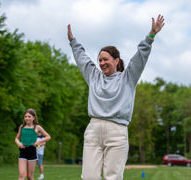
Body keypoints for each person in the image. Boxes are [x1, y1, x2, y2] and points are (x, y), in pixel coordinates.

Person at [67, 15, 165, 180]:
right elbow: (82, 59)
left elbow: (140, 57)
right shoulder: (94, 76)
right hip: (94, 130)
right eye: (100, 60)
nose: (102, 63)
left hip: (117, 131)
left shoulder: (128, 78)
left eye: (105, 59)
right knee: (89, 177)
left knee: (113, 177)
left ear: (116, 60)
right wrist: (73, 41)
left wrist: (151, 36)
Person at [15, 108, 51, 180]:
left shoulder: (37, 127)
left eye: (29, 116)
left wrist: (39, 142)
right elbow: (16, 138)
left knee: (30, 176)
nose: (27, 118)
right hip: (23, 151)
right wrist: (18, 143)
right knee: (21, 175)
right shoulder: (22, 127)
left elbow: (48, 137)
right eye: (25, 116)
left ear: (34, 117)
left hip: (32, 152)